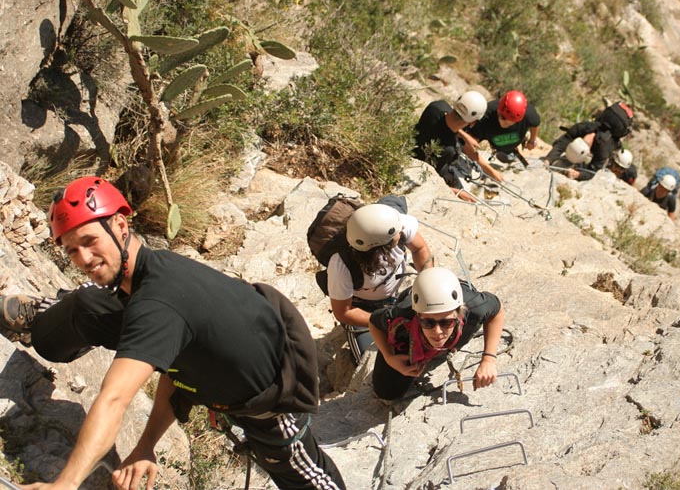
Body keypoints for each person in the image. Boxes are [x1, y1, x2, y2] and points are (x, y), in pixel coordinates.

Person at [2, 176, 345, 490]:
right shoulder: (149, 272)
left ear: (120, 225)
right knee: (90, 304)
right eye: (72, 250)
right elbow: (180, 362)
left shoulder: (158, 304)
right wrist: (146, 445)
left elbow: (114, 399)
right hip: (217, 361)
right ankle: (43, 316)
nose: (83, 258)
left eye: (90, 241)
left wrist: (64, 484)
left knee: (311, 480)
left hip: (270, 406)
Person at [368, 267, 505, 401]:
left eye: (446, 323)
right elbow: (374, 322)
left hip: (456, 308)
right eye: (428, 323)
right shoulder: (402, 315)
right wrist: (389, 356)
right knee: (387, 391)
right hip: (414, 320)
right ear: (417, 315)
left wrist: (488, 359)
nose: (437, 331)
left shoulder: (474, 307)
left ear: (459, 313)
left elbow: (497, 311)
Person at [327, 202, 433, 363]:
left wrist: (429, 283)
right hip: (361, 307)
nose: (401, 231)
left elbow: (420, 248)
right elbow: (344, 312)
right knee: (370, 359)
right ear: (384, 244)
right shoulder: (341, 264)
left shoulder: (397, 225)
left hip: (394, 297)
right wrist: (383, 322)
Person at [413, 91, 503, 200]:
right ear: (473, 122)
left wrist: (464, 135)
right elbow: (431, 177)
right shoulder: (448, 150)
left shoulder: (436, 107)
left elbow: (445, 119)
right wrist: (456, 192)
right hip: (425, 167)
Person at [543, 101, 634, 181]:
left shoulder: (603, 148)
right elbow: (563, 141)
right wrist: (549, 159)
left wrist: (578, 175)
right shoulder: (584, 128)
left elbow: (592, 171)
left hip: (599, 153)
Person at [463, 90, 541, 165]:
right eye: (503, 119)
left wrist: (532, 140)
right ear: (498, 112)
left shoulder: (529, 114)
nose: (505, 125)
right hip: (494, 137)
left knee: (507, 156)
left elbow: (535, 124)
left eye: (510, 123)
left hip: (512, 140)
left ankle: (511, 151)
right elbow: (469, 146)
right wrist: (490, 171)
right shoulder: (486, 116)